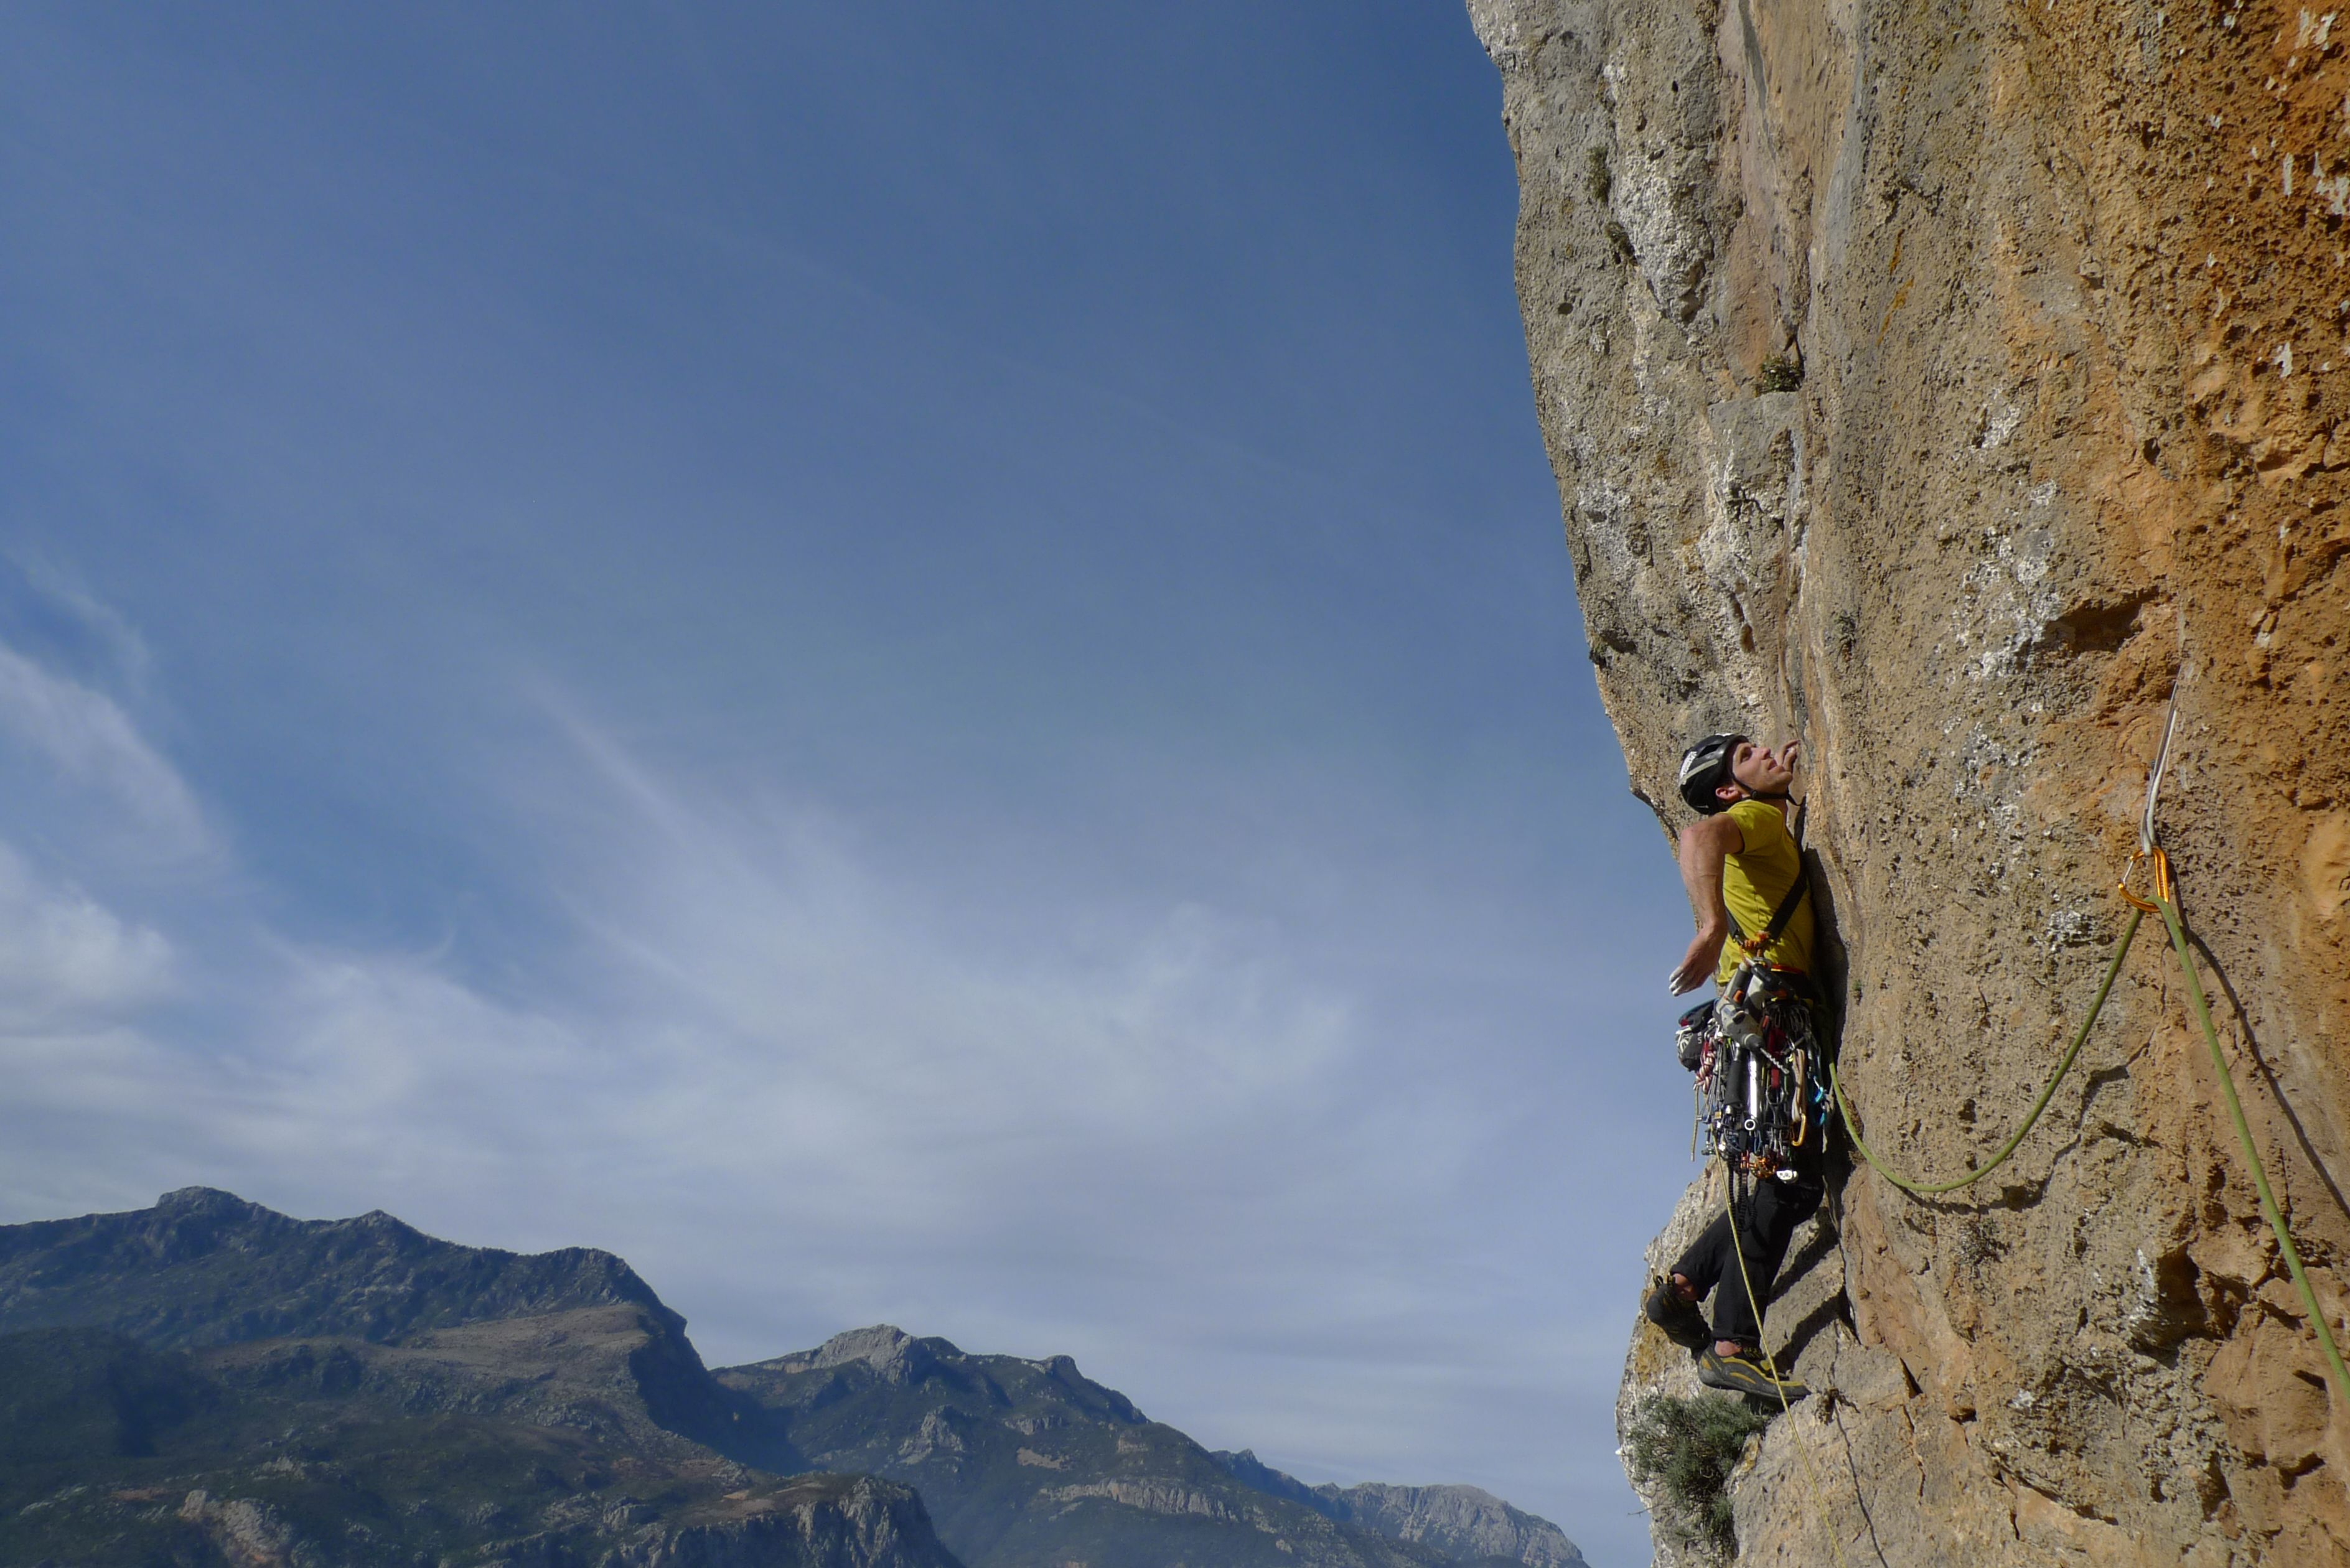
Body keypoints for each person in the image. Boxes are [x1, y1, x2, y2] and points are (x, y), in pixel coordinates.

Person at [1643, 733, 1824, 1400]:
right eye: (1748, 756)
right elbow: (1696, 839)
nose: (1768, 754)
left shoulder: (1761, 817)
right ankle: (1731, 1345)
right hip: (1771, 1015)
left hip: (1756, 1018)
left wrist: (1775, 769)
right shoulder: (1749, 818)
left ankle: (1683, 1288)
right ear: (1729, 789)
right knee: (1782, 1178)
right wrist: (1710, 926)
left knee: (1785, 1177)